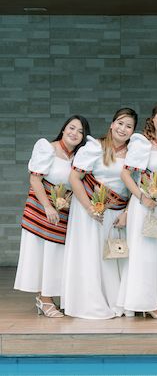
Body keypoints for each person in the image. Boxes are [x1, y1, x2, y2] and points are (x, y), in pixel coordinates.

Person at [62, 108, 137, 319]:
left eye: (129, 126)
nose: (123, 129)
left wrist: (128, 212)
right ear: (112, 124)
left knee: (113, 258)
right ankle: (90, 302)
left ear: (133, 131)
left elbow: (137, 186)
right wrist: (90, 209)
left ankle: (116, 301)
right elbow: (74, 178)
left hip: (117, 213)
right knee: (91, 256)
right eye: (120, 123)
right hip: (90, 211)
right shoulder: (95, 147)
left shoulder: (134, 153)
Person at [14, 115, 90, 317]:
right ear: (63, 129)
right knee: (42, 256)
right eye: (71, 128)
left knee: (56, 257)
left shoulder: (78, 157)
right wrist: (48, 206)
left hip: (63, 212)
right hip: (42, 210)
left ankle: (49, 297)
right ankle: (44, 299)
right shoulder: (47, 148)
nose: (74, 133)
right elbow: (35, 179)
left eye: (80, 131)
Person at [117, 102, 157, 319]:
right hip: (144, 203)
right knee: (144, 253)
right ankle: (145, 303)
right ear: (153, 117)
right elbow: (126, 175)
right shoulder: (141, 143)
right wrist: (142, 197)